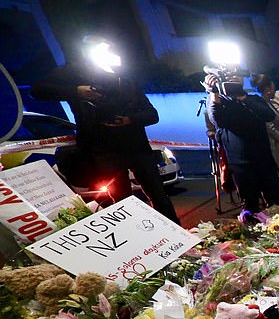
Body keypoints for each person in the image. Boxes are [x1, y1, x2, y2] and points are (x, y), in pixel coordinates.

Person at [31, 36, 180, 224]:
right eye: (101, 48)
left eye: (109, 47)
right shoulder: (75, 73)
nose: (107, 52)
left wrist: (129, 119)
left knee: (159, 196)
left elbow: (152, 114)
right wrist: (77, 90)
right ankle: (138, 241)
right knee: (124, 203)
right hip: (104, 152)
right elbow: (37, 90)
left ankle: (178, 234)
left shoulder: (124, 80)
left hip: (137, 148)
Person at [205, 74, 279, 215]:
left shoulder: (254, 99)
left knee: (274, 202)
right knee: (250, 207)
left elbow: (269, 115)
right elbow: (217, 120)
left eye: (236, 75)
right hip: (240, 163)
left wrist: (243, 98)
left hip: (264, 159)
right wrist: (213, 92)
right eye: (229, 76)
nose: (233, 79)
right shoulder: (220, 102)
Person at [251, 73, 279, 208]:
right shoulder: (261, 104)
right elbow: (271, 127)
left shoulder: (266, 103)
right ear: (268, 88)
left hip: (277, 147)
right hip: (275, 148)